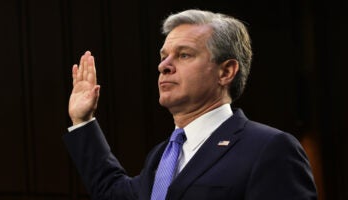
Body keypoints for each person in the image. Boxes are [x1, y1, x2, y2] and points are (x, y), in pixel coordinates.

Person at [63, 9, 318, 200]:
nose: (164, 65)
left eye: (184, 55)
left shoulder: (270, 149)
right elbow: (113, 193)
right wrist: (83, 122)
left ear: (226, 72)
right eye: (164, 57)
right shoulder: (162, 157)